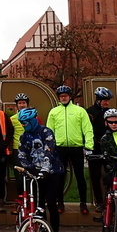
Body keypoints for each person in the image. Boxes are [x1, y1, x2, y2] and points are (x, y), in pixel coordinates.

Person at [16, 107, 64, 232]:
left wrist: (44, 170)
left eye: (25, 122)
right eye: (21, 123)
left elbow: (49, 151)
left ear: (32, 120)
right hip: (36, 174)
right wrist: (28, 168)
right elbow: (21, 155)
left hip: (52, 172)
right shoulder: (23, 137)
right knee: (39, 205)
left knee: (51, 204)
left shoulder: (46, 132)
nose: (23, 125)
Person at [46, 85, 93, 214]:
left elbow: (87, 129)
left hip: (76, 147)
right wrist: (50, 147)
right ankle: (60, 202)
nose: (63, 98)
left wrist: (89, 146)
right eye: (61, 96)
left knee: (80, 176)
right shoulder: (54, 112)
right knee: (60, 176)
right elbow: (49, 131)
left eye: (65, 95)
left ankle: (83, 203)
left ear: (70, 96)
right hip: (60, 148)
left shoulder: (80, 111)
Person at [86, 87, 113, 211]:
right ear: (98, 100)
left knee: (111, 174)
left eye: (107, 100)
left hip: (108, 147)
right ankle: (99, 202)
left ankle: (112, 200)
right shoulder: (90, 112)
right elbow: (86, 129)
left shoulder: (111, 112)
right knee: (95, 177)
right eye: (104, 100)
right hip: (95, 147)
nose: (106, 103)